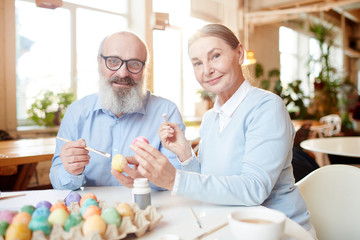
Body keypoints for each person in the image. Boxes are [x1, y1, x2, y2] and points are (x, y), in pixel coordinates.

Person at [126, 24, 316, 237]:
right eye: (197, 63)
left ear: (240, 54)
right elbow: (211, 183)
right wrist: (186, 153)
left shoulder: (267, 107)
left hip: (279, 230)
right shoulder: (210, 118)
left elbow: (254, 188)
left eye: (215, 56)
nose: (206, 70)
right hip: (232, 226)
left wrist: (174, 180)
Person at [49, 31, 185, 190]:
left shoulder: (166, 112)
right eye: (113, 61)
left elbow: (181, 180)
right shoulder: (76, 113)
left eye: (134, 64)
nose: (123, 73)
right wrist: (70, 171)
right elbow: (57, 180)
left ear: (144, 68)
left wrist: (153, 179)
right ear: (99, 62)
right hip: (92, 211)